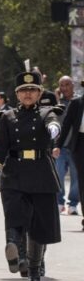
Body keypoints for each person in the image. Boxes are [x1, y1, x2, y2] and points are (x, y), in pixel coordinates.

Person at [0, 70, 61, 281]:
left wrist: (54, 127)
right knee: (15, 215)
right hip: (14, 174)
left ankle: (34, 271)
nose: (28, 94)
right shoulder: (8, 117)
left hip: (41, 173)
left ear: (39, 93)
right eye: (23, 91)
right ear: (17, 94)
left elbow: (53, 119)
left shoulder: (48, 112)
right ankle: (14, 252)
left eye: (32, 90)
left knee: (38, 225)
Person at [54, 76, 78, 214]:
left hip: (76, 146)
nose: (64, 87)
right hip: (61, 146)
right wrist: (57, 100)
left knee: (76, 177)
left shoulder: (79, 100)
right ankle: (59, 202)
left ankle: (73, 204)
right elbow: (55, 120)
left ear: (73, 85)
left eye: (67, 84)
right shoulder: (58, 103)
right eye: (62, 85)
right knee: (58, 174)